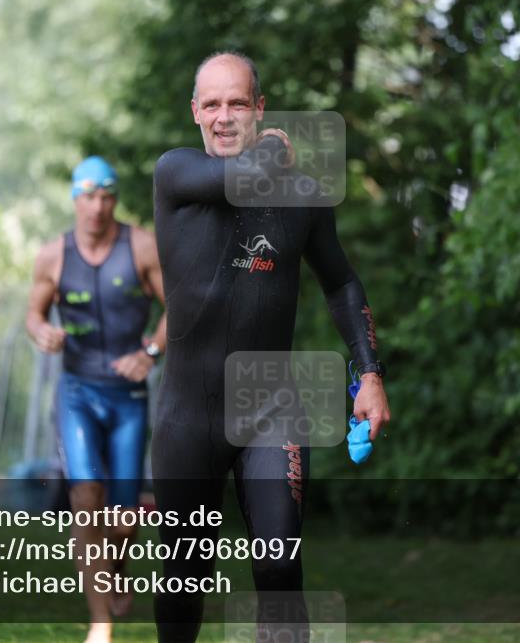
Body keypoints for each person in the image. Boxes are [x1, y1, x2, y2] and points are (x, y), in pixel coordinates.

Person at [151, 51, 391, 642]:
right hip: (189, 417)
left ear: (259, 108)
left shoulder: (302, 196)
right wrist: (276, 145)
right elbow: (239, 179)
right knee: (184, 577)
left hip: (270, 409)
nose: (224, 116)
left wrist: (370, 374)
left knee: (280, 566)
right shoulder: (177, 174)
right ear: (195, 113)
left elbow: (340, 281)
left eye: (238, 103)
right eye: (212, 104)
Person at [26, 157, 167, 643]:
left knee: (124, 520)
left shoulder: (142, 247)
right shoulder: (53, 256)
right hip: (77, 394)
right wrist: (43, 331)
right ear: (75, 199)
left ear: (115, 201)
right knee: (86, 499)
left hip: (128, 397)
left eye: (107, 197)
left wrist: (150, 352)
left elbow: (180, 308)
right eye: (89, 196)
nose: (98, 207)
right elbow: (33, 314)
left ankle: (119, 567)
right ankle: (100, 621)